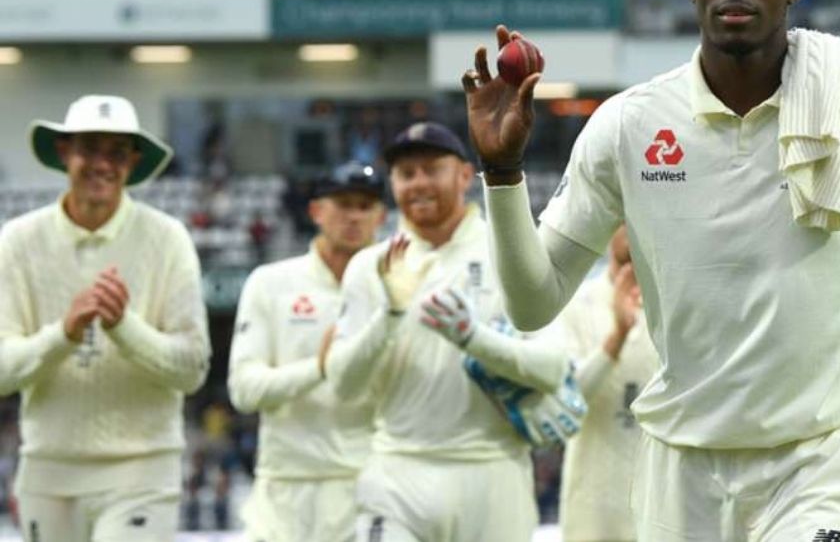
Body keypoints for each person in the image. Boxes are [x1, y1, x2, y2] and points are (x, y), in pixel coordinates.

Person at [462, 0, 840, 541]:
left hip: (817, 464)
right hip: (681, 475)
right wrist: (503, 172)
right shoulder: (627, 125)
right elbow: (533, 303)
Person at [322, 122, 574, 542]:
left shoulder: (509, 251)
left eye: (431, 169)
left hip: (492, 470)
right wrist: (390, 314)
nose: (418, 183)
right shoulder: (371, 266)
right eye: (406, 173)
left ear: (463, 175)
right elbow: (342, 385)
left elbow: (552, 368)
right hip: (398, 469)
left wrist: (474, 338)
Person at [0, 94, 210, 541]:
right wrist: (64, 334)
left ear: (133, 162)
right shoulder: (17, 242)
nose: (102, 164)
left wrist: (124, 327)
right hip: (48, 473)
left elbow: (192, 369)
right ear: (64, 152)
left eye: (116, 153)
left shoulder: (168, 239)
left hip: (142, 471)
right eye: (89, 149)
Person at [228, 161, 388, 542]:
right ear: (316, 211)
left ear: (381, 217)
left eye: (365, 206)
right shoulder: (270, 283)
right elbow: (245, 391)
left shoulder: (395, 290)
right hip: (284, 488)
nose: (354, 216)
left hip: (368, 484)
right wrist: (319, 367)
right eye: (343, 204)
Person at [546, 225, 658, 542]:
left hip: (660, 504)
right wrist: (616, 338)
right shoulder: (574, 304)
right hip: (592, 511)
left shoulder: (679, 306)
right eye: (625, 219)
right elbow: (566, 402)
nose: (635, 229)